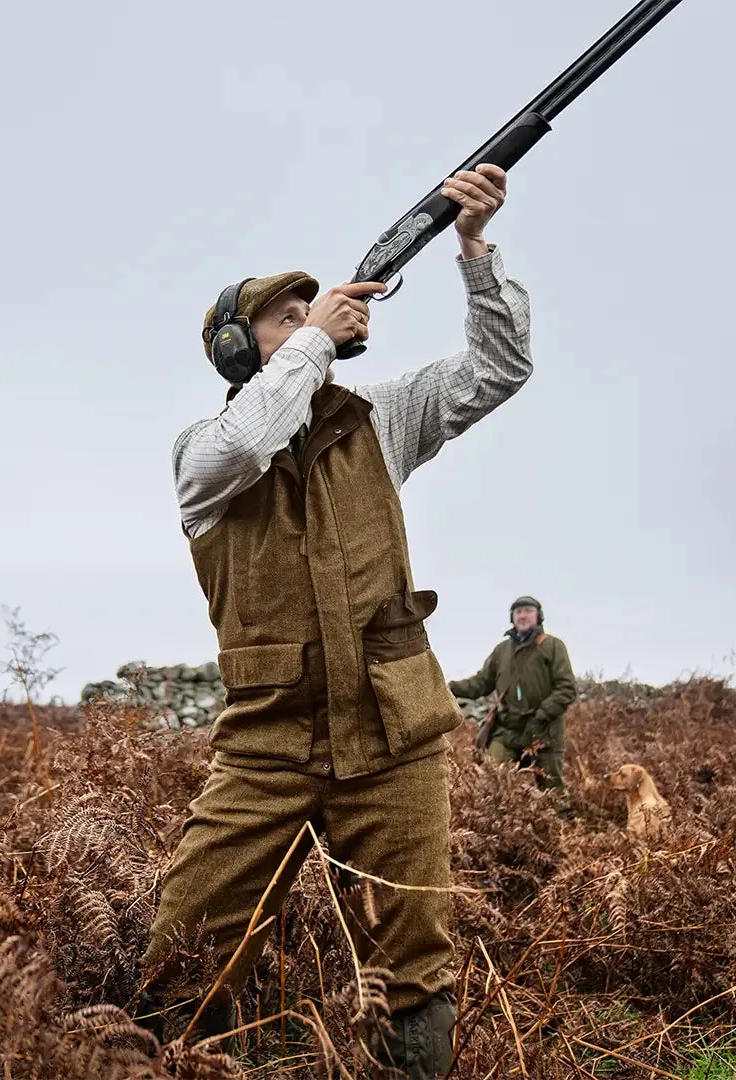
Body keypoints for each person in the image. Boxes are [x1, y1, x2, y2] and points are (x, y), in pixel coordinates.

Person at [139, 163, 533, 1079]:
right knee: (186, 945)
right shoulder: (203, 457)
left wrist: (474, 249)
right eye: (287, 316)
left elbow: (500, 368)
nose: (315, 319)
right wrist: (311, 344)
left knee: (413, 964)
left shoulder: (380, 420)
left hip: (394, 734)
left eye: (314, 311)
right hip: (265, 746)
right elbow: (248, 438)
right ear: (243, 350)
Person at [448, 596, 577, 792]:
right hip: (507, 730)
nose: (523, 615)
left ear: (539, 616)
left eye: (528, 610)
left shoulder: (553, 646)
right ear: (512, 618)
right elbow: (482, 682)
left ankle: (561, 822)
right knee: (490, 782)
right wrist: (451, 687)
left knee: (553, 793)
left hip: (544, 732)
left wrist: (541, 716)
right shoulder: (502, 651)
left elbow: (567, 689)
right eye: (518, 612)